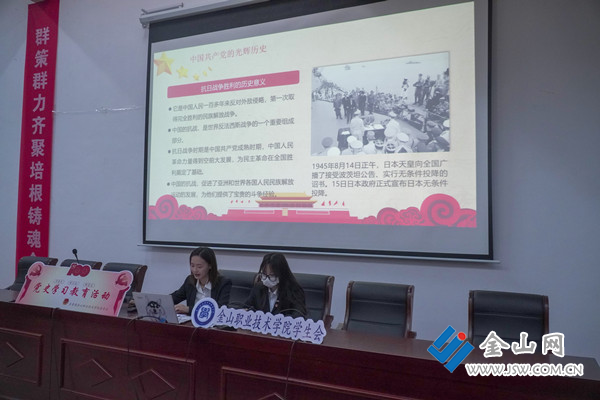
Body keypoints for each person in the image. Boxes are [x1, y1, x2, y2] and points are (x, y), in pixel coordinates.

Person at [171, 247, 232, 315]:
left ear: (210, 265)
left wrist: (188, 309)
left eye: (199, 267)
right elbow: (174, 298)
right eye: (192, 266)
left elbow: (220, 310)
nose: (195, 270)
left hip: (212, 321)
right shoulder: (190, 281)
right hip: (191, 321)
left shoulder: (223, 283)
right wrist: (162, 301)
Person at [243, 253, 307, 318]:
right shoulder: (258, 288)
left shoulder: (294, 290)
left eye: (272, 275)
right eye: (264, 274)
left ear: (281, 274)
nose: (267, 279)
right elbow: (245, 307)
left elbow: (300, 315)